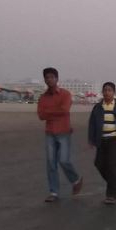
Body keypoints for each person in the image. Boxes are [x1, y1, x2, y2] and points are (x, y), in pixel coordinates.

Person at [37, 67, 83, 202]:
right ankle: (54, 192)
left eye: (52, 77)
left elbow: (64, 110)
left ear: (57, 78)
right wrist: (55, 111)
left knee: (64, 160)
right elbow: (41, 115)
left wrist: (49, 112)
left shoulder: (65, 94)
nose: (49, 79)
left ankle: (75, 180)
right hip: (50, 132)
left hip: (64, 131)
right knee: (51, 163)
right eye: (47, 77)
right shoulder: (43, 97)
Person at [87, 82, 116, 205]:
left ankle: (111, 195)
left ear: (114, 92)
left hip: (114, 139)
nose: (107, 92)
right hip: (101, 139)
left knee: (112, 165)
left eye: (110, 90)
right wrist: (91, 140)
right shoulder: (97, 107)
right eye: (105, 90)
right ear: (102, 92)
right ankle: (114, 185)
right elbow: (92, 124)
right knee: (99, 164)